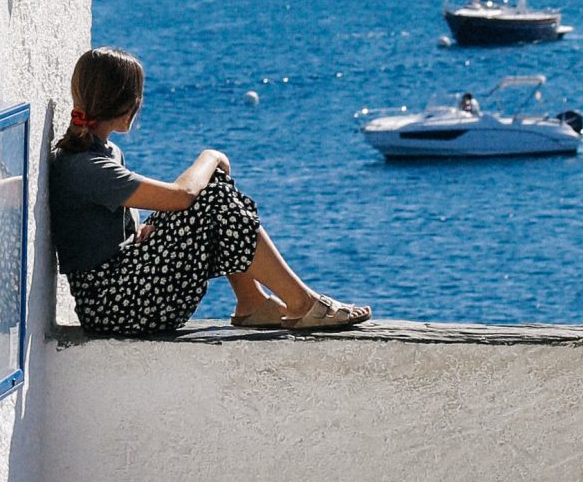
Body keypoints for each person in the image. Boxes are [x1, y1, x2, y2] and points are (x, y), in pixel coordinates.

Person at [51, 47, 371, 336]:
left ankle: (253, 303)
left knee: (210, 196)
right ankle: (299, 303)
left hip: (122, 289)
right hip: (114, 308)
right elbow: (182, 195)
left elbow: (112, 231)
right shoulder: (86, 166)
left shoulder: (104, 152)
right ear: (125, 103)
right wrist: (211, 155)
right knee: (210, 193)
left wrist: (144, 234)